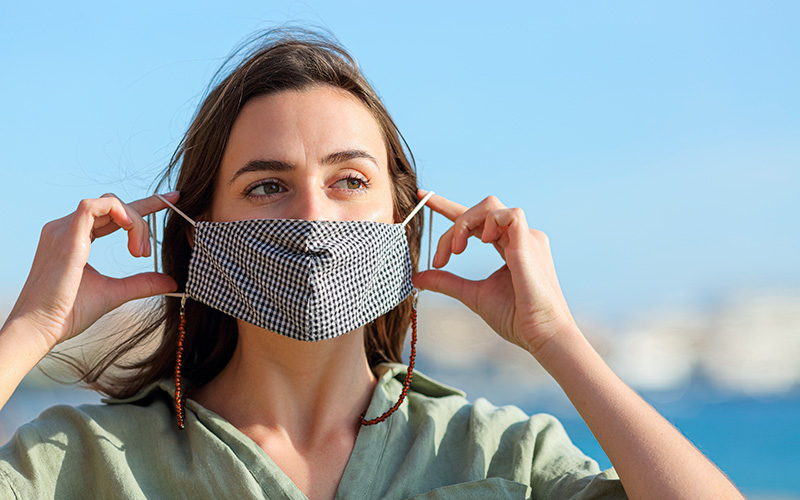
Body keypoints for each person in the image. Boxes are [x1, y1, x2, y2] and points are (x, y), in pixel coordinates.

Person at [0, 29, 743, 499]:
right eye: (267, 186)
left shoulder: (500, 453)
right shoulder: (81, 462)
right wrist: (33, 328)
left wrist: (558, 340)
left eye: (349, 181)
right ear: (200, 231)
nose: (315, 218)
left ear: (403, 219)